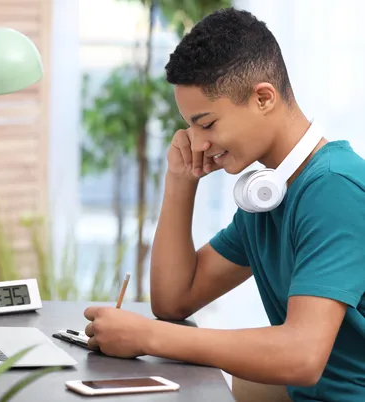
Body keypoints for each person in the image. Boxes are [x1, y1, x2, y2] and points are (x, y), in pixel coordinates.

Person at [83, 7, 365, 402]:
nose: (196, 143)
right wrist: (180, 181)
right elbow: (175, 300)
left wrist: (149, 337)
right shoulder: (268, 195)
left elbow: (302, 355)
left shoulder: (334, 188)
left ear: (263, 97)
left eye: (207, 124)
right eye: (190, 127)